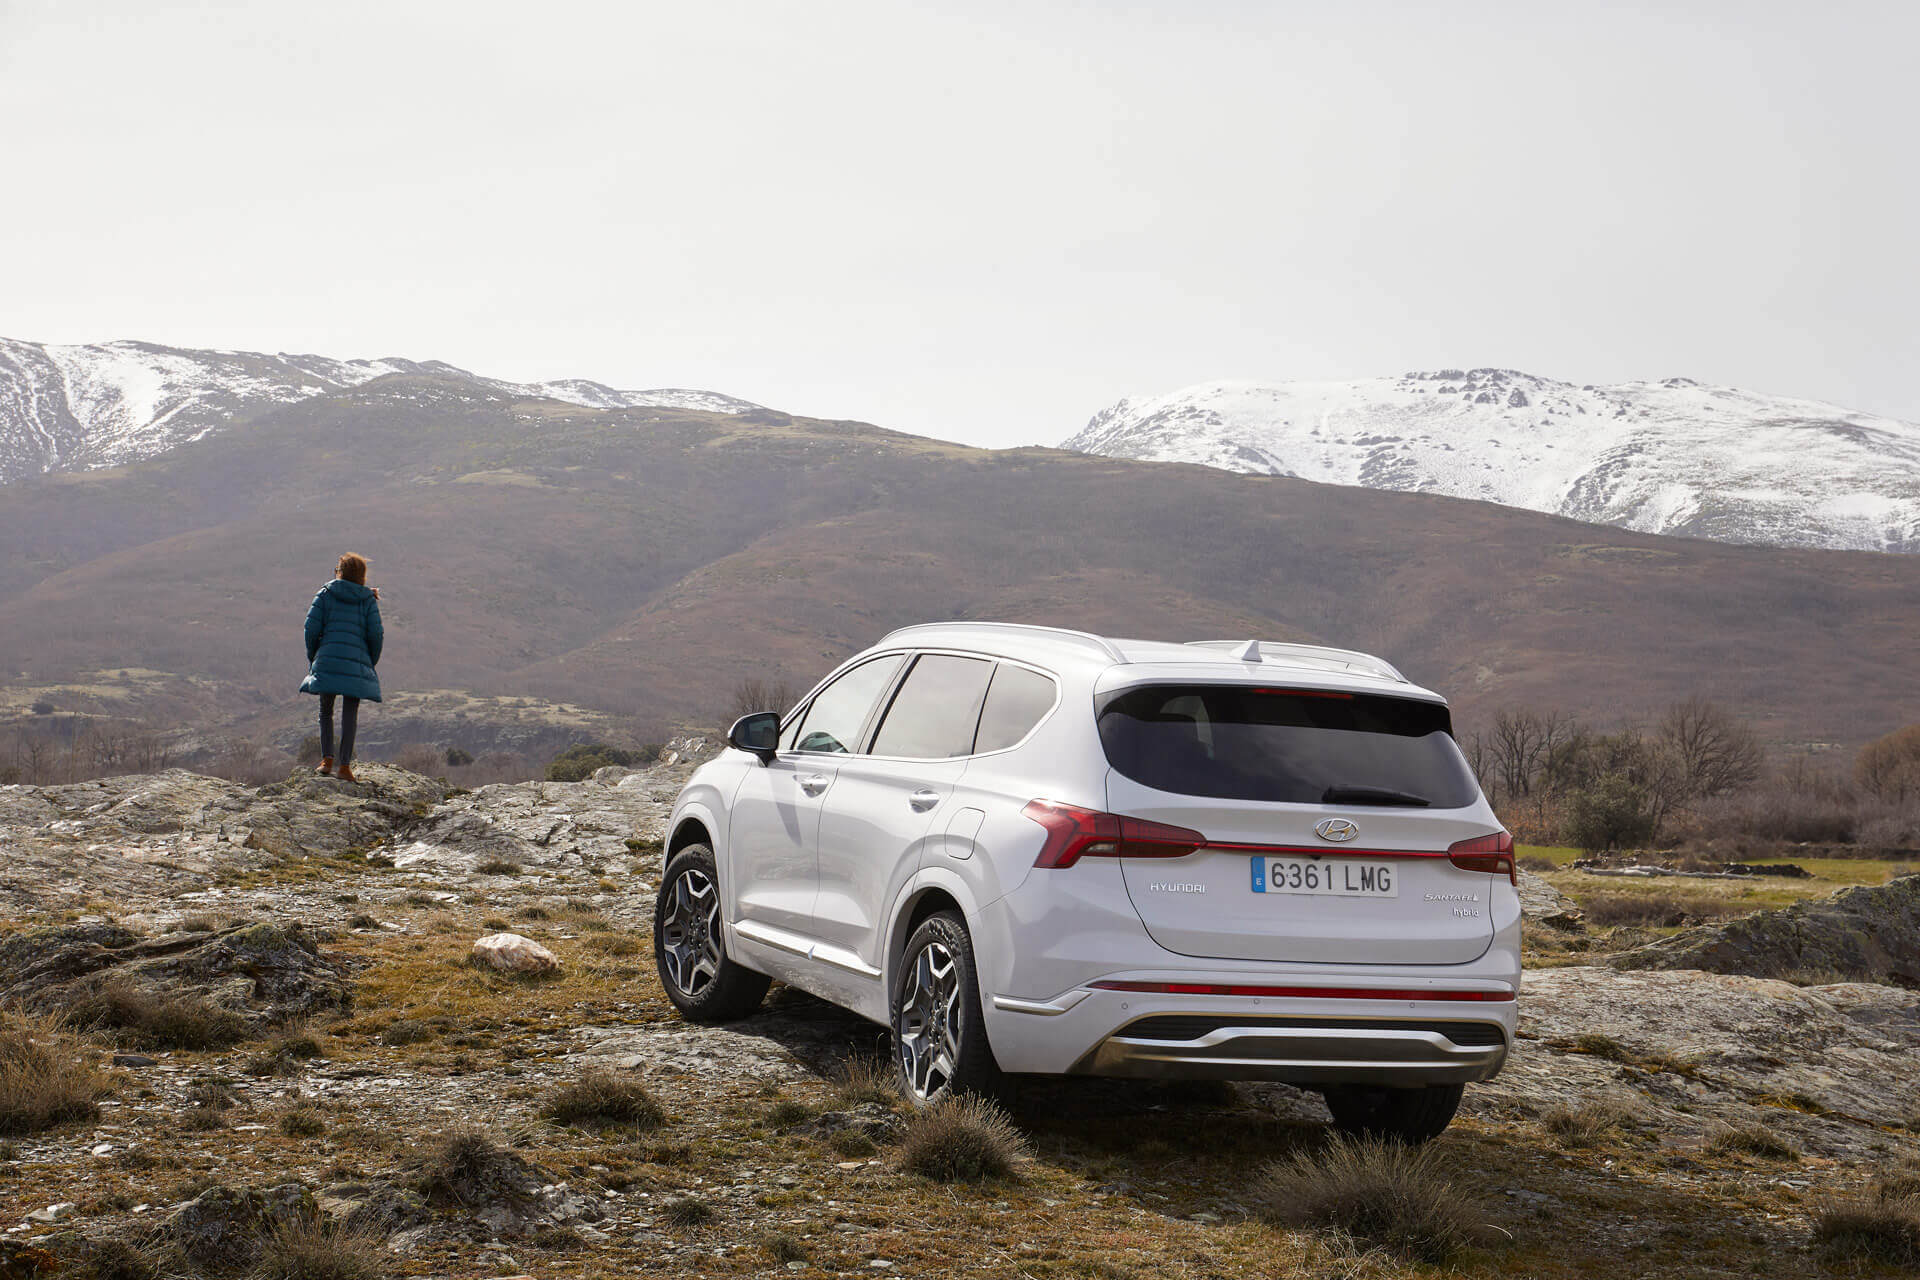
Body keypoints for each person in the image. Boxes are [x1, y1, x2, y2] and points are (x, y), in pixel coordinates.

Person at [300, 553, 384, 782]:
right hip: (356, 664)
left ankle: (327, 761)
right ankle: (345, 767)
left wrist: (314, 656)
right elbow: (376, 634)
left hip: (327, 658)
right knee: (350, 714)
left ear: (339, 571)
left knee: (325, 711)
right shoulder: (367, 600)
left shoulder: (326, 594)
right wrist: (369, 662)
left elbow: (310, 629)